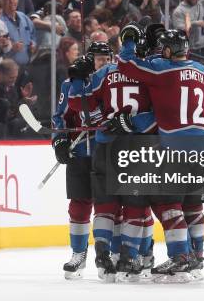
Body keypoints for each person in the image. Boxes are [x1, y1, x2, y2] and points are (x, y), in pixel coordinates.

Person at [117, 25, 204, 282]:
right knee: (193, 204)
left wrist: (129, 41)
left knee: (168, 203)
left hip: (176, 146)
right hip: (203, 146)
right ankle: (197, 256)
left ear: (169, 50)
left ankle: (180, 256)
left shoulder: (162, 70)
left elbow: (126, 65)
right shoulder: (203, 71)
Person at [68, 39, 156, 282]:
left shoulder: (107, 72)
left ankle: (103, 255)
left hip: (106, 146)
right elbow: (161, 111)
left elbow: (78, 102)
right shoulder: (148, 71)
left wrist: (77, 79)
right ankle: (130, 257)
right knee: (135, 206)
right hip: (137, 147)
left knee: (105, 206)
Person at [53, 41, 112, 279]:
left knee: (108, 206)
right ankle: (79, 254)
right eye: (99, 59)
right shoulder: (70, 85)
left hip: (106, 152)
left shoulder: (114, 84)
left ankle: (107, 256)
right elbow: (60, 117)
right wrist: (59, 141)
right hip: (80, 151)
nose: (104, 63)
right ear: (89, 59)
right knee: (79, 205)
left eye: (107, 59)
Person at [0, 0, 36, 67]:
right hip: (8, 68)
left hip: (27, 66)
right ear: (2, 2)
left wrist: (33, 44)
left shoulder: (24, 17)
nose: (12, 2)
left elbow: (33, 35)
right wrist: (11, 48)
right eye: (8, 0)